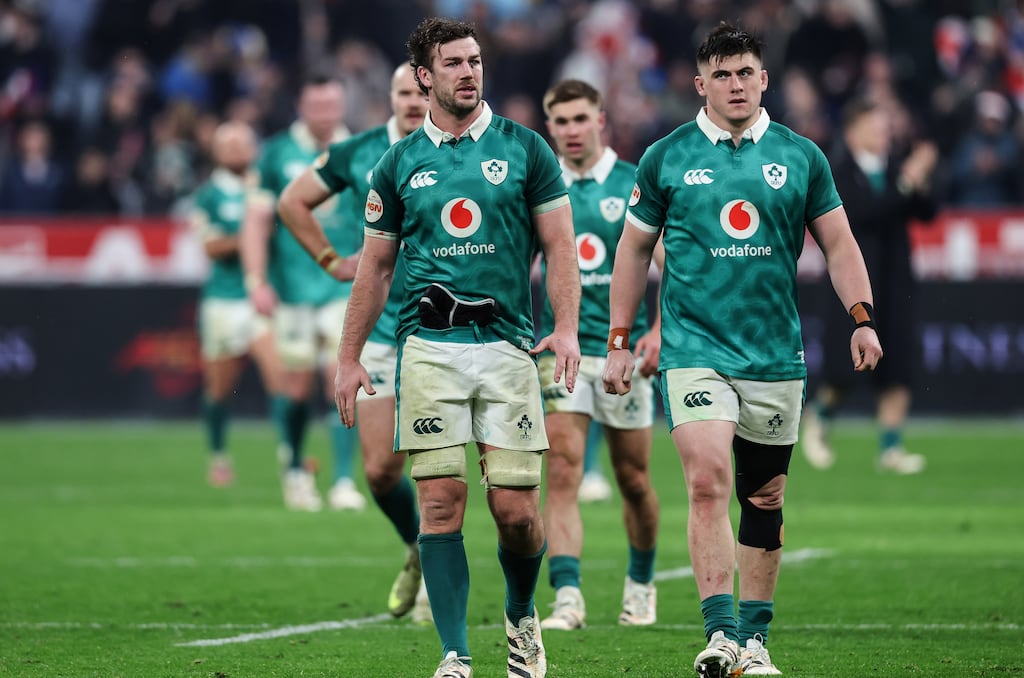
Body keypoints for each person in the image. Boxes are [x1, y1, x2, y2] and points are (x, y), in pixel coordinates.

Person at [602, 22, 882, 678]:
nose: (735, 84)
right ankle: (720, 635)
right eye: (721, 75)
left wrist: (862, 318)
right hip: (695, 348)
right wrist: (619, 340)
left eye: (745, 72)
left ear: (764, 79)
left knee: (764, 497)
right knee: (705, 478)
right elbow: (634, 250)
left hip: (773, 354)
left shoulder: (802, 157)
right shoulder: (665, 157)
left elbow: (839, 245)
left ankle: (755, 642)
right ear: (700, 84)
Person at [334, 17, 581, 678]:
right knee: (440, 502)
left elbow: (559, 245)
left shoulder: (526, 148)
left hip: (507, 348)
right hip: (429, 351)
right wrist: (349, 354)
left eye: (474, 61)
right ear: (424, 75)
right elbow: (376, 268)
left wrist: (565, 324)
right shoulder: (398, 163)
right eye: (454, 63)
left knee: (518, 512)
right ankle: (454, 655)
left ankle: (523, 616)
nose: (469, 72)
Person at [276, 63, 432, 621]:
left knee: (440, 469)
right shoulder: (361, 151)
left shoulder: (465, 149)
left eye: (421, 90)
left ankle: (439, 580)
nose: (413, 100)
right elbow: (291, 201)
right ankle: (417, 546)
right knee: (381, 472)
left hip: (451, 331)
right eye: (403, 92)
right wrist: (328, 261)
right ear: (388, 97)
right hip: (384, 332)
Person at [536, 78, 662, 632]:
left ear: (600, 120)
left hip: (622, 355)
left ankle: (640, 582)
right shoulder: (539, 188)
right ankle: (568, 596)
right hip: (562, 351)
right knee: (561, 469)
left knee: (632, 478)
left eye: (580, 119)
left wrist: (658, 329)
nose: (571, 130)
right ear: (550, 127)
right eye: (560, 121)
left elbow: (672, 262)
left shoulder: (635, 182)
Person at [240, 74, 366, 512]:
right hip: (291, 290)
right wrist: (256, 281)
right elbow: (255, 222)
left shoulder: (362, 150)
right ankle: (294, 467)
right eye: (317, 106)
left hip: (343, 285)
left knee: (340, 378)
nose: (325, 114)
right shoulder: (276, 154)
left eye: (332, 105)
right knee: (294, 390)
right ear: (301, 106)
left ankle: (344, 480)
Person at [802, 97, 938, 474]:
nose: (884, 134)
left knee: (898, 365)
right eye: (876, 127)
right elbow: (864, 212)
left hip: (897, 279)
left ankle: (891, 447)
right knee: (843, 369)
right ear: (853, 132)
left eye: (886, 128)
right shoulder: (839, 171)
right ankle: (819, 420)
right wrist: (907, 182)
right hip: (856, 283)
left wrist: (919, 182)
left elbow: (927, 212)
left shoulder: (894, 168)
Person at [190, 121, 287, 488]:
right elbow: (210, 246)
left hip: (261, 297)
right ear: (217, 152)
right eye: (228, 145)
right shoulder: (209, 195)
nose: (237, 151)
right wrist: (252, 235)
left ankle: (288, 457)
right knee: (218, 388)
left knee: (280, 377)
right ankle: (218, 456)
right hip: (223, 301)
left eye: (243, 143)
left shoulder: (266, 186)